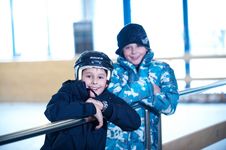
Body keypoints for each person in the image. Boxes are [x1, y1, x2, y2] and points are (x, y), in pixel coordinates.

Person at [41, 51, 141, 150]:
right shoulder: (69, 91)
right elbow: (52, 112)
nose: (94, 82)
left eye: (100, 77)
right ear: (79, 76)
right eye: (89, 76)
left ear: (107, 80)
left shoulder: (105, 97)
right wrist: (91, 108)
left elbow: (134, 122)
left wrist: (103, 106)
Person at [106, 23, 179, 149]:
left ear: (146, 46)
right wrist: (149, 88)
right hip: (116, 145)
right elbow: (112, 101)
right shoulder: (112, 70)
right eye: (128, 47)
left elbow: (170, 106)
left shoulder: (161, 69)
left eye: (139, 45)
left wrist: (129, 93)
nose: (134, 52)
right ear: (122, 50)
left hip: (148, 144)